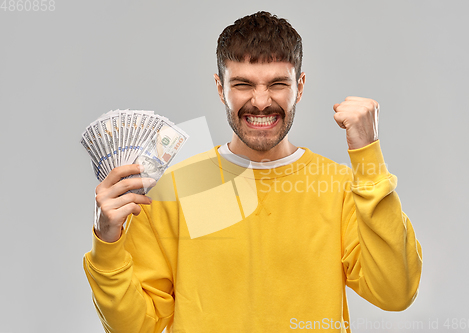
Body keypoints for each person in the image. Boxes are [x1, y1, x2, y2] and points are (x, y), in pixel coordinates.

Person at [83, 11, 422, 333]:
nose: (261, 101)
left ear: (300, 87)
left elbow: (395, 292)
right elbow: (135, 326)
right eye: (243, 84)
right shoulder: (179, 186)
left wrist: (369, 161)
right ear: (220, 89)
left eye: (277, 84)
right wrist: (108, 243)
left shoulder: (341, 187)